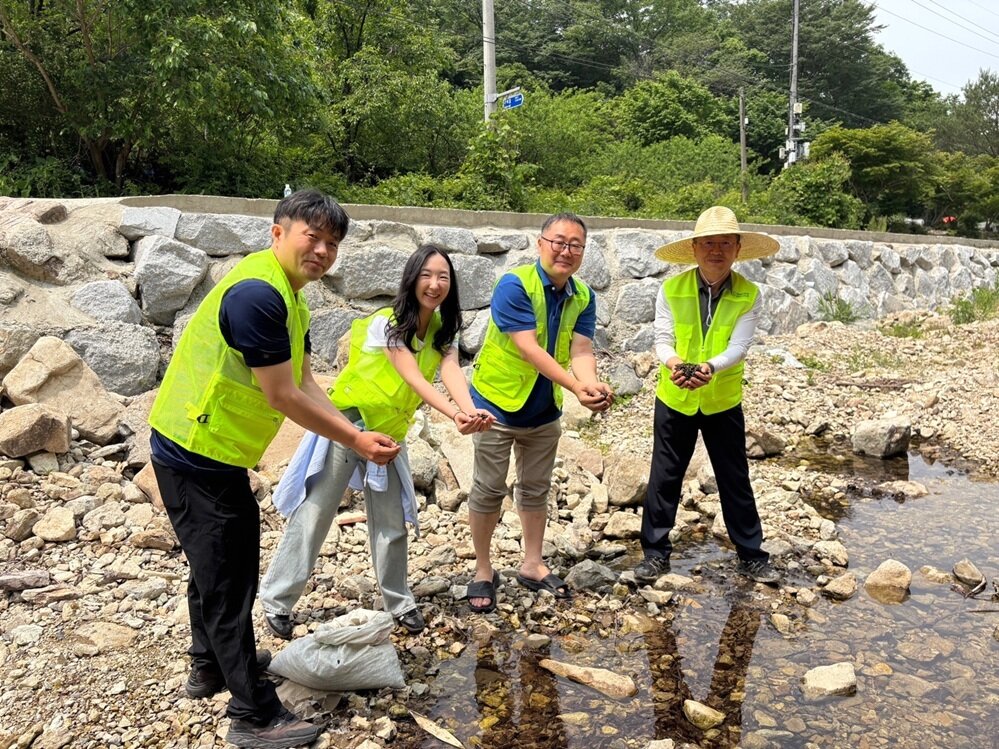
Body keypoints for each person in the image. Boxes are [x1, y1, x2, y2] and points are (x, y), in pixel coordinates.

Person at [148, 190, 400, 749]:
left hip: (215, 450)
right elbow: (282, 395)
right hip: (195, 450)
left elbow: (306, 380)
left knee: (215, 565)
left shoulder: (291, 296)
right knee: (229, 578)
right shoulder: (259, 296)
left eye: (333, 243)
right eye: (312, 236)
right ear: (278, 232)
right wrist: (355, 438)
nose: (323, 250)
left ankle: (208, 665)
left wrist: (349, 426)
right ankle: (252, 713)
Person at [260, 245, 494, 637]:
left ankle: (399, 602)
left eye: (443, 277)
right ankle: (277, 600)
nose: (434, 285)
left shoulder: (442, 330)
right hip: (349, 424)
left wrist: (469, 410)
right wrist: (454, 415)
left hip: (391, 432)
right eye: (426, 275)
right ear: (411, 279)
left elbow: (450, 372)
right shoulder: (385, 323)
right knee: (318, 510)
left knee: (391, 519)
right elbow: (413, 377)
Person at [465, 212, 614, 613]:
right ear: (540, 242)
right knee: (488, 488)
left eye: (575, 245)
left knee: (535, 488)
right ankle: (482, 569)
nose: (566, 251)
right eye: (559, 241)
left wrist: (592, 384)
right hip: (495, 405)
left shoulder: (583, 295)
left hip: (543, 408)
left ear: (583, 252)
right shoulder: (514, 284)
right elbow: (528, 349)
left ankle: (532, 563)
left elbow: (581, 350)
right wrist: (576, 387)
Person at [634, 205, 779, 586]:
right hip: (675, 396)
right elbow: (662, 339)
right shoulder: (671, 288)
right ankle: (654, 554)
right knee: (665, 476)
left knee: (734, 477)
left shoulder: (749, 294)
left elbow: (740, 346)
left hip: (722, 400)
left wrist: (709, 368)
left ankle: (752, 555)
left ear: (736, 249)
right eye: (709, 243)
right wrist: (675, 364)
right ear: (695, 248)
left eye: (725, 244)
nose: (717, 250)